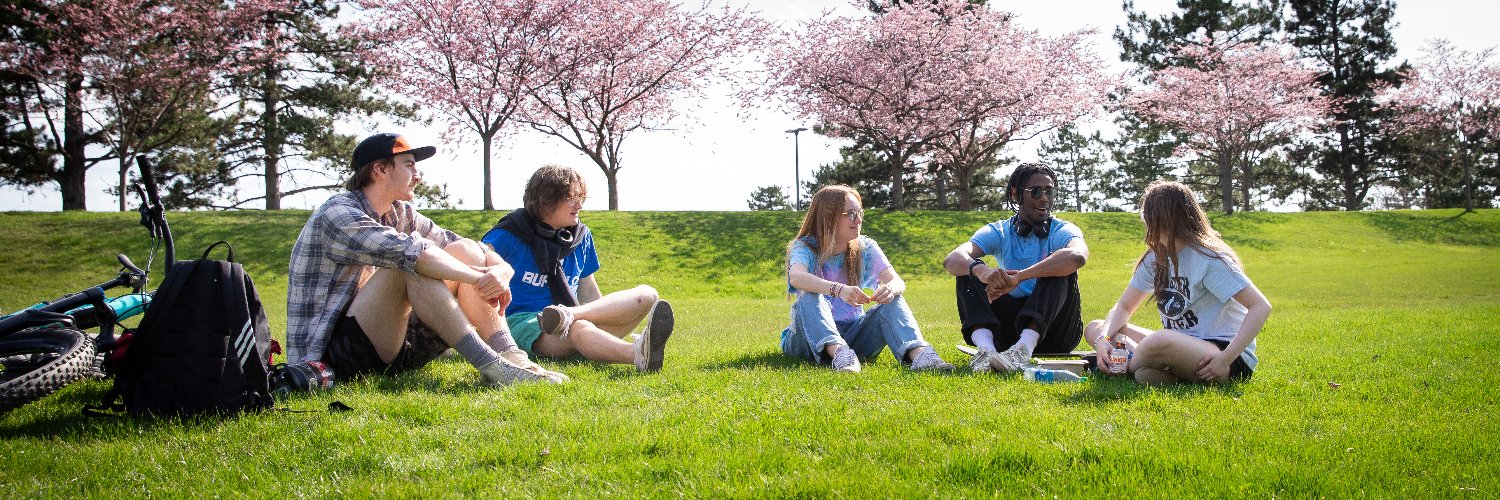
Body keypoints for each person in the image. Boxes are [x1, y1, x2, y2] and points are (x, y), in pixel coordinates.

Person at [287, 133, 566, 387]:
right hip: (330, 358)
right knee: (409, 266)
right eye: (408, 165)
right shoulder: (337, 213)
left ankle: (512, 358)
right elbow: (414, 255)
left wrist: (502, 271)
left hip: (391, 342)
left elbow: (467, 246)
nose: (418, 175)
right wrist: (479, 278)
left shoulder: (400, 213)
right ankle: (493, 367)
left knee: (465, 251)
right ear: (380, 170)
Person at [480, 165, 674, 372]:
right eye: (571, 198)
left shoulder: (581, 236)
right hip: (524, 323)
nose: (579, 205)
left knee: (648, 294)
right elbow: (477, 254)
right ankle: (636, 354)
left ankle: (572, 319)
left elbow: (588, 289)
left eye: (581, 197)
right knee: (579, 328)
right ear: (546, 199)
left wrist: (599, 315)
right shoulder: (512, 231)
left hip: (576, 316)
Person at [1084, 181, 1270, 385]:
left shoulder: (1209, 258)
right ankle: (1157, 374)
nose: (1146, 224)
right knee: (1097, 327)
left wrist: (1226, 359)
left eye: (1148, 216)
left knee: (1159, 341)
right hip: (1178, 346)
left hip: (1222, 357)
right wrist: (1103, 340)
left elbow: (1260, 306)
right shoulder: (1156, 258)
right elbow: (1125, 306)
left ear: (1163, 218)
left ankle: (1120, 367)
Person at [779, 185, 954, 373]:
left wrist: (890, 289)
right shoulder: (804, 247)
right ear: (828, 217)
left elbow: (897, 282)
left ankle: (921, 356)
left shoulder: (866, 247)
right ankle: (838, 353)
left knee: (893, 298)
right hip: (805, 340)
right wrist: (839, 290)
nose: (859, 220)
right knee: (809, 296)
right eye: (851, 214)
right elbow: (797, 277)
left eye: (860, 212)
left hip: (853, 338)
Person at [943, 163, 1088, 374]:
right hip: (1008, 332)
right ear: (1016, 193)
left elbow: (1077, 256)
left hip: (1056, 332)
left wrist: (1019, 277)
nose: (1044, 198)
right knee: (968, 268)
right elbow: (952, 259)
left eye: (1050, 191)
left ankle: (1024, 348)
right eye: (1036, 191)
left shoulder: (1063, 229)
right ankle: (986, 351)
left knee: (1059, 264)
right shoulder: (999, 231)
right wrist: (981, 271)